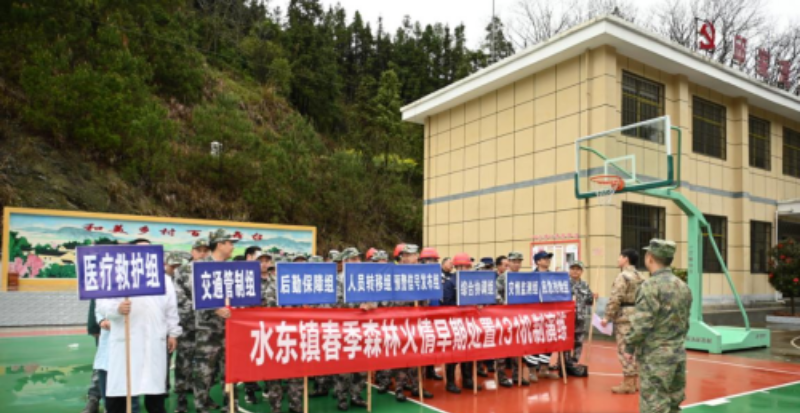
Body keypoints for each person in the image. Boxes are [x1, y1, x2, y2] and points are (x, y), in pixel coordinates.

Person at [96, 250, 182, 413]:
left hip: (154, 340)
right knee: (122, 386)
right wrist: (117, 308)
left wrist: (173, 332)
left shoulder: (163, 279)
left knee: (155, 390)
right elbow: (101, 304)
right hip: (127, 341)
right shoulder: (117, 275)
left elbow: (171, 308)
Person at [624, 239, 692, 413]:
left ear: (650, 258)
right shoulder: (683, 286)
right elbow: (685, 322)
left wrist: (629, 346)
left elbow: (642, 323)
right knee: (674, 404)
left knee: (654, 406)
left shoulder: (649, 286)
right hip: (678, 353)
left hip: (655, 357)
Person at [192, 229, 238, 413]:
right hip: (208, 330)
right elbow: (194, 295)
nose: (232, 247)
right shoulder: (200, 267)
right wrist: (214, 308)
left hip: (230, 330)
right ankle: (200, 406)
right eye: (230, 243)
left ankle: (231, 406)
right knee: (204, 372)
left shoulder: (233, 269)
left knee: (231, 371)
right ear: (220, 244)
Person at [602, 248, 645, 394]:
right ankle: (633, 382)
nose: (618, 259)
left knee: (625, 349)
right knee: (636, 349)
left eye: (620, 256)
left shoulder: (623, 276)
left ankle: (628, 383)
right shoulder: (641, 276)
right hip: (638, 315)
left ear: (626, 258)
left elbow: (616, 298)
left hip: (625, 316)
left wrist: (607, 316)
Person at [333, 247, 369, 411]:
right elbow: (336, 303)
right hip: (344, 328)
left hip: (363, 328)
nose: (357, 262)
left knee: (361, 366)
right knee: (344, 367)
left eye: (358, 258)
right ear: (345, 261)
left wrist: (370, 305)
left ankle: (356, 395)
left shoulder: (364, 279)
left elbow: (375, 299)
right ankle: (341, 397)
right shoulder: (338, 280)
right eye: (353, 259)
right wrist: (357, 306)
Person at [443, 253, 483, 393]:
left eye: (468, 267)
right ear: (458, 267)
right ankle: (450, 382)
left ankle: (468, 379)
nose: (467, 269)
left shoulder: (472, 282)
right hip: (455, 322)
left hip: (470, 322)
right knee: (454, 353)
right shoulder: (450, 282)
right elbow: (447, 303)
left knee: (469, 351)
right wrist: (462, 305)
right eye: (464, 266)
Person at [525, 251, 560, 380]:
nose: (547, 260)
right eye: (544, 258)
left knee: (548, 339)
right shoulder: (530, 277)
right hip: (534, 313)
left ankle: (544, 368)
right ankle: (532, 370)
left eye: (548, 258)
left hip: (550, 313)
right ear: (538, 262)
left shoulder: (554, 277)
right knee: (534, 340)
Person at [560, 261, 596, 371]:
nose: (575, 271)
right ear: (569, 270)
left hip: (580, 318)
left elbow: (589, 301)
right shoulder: (564, 283)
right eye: (573, 269)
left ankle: (574, 362)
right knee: (566, 341)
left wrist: (594, 297)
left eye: (578, 269)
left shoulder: (584, 285)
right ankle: (564, 363)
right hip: (567, 318)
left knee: (578, 341)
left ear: (581, 271)